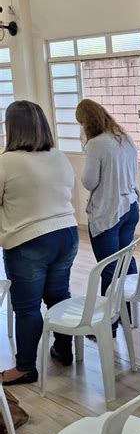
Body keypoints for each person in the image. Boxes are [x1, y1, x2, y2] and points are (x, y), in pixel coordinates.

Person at [0, 101, 78, 384]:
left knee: (28, 307)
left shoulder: (6, 161)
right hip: (66, 234)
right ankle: (63, 348)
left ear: (12, 127)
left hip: (28, 240)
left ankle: (24, 368)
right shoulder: (58, 155)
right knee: (58, 295)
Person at [75, 99, 139, 333]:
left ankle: (107, 325)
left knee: (109, 267)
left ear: (86, 122)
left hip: (108, 211)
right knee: (126, 260)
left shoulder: (96, 144)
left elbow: (90, 181)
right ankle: (129, 313)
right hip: (130, 206)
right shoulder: (125, 138)